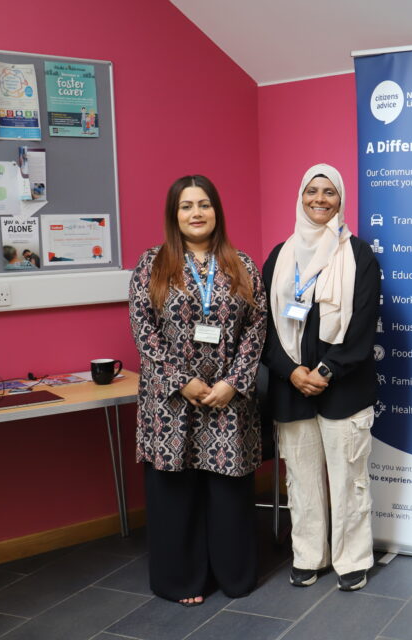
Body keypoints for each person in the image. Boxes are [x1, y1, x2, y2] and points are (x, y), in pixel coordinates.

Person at [128, 174, 267, 606]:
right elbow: (143, 331)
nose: (196, 213)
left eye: (203, 204)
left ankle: (233, 575)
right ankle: (182, 579)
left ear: (216, 211)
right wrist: (181, 380)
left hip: (228, 400)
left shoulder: (242, 265)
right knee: (176, 495)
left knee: (228, 496)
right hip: (171, 403)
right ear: (174, 214)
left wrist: (234, 382)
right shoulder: (151, 264)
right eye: (186, 206)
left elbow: (257, 327)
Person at [262, 163, 380, 592]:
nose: (319, 200)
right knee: (302, 479)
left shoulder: (360, 256)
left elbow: (363, 326)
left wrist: (326, 371)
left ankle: (352, 558)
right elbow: (265, 329)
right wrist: (292, 372)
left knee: (349, 478)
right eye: (312, 191)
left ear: (341, 200)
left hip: (344, 387)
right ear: (300, 196)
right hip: (290, 386)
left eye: (329, 192)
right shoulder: (279, 257)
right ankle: (308, 554)